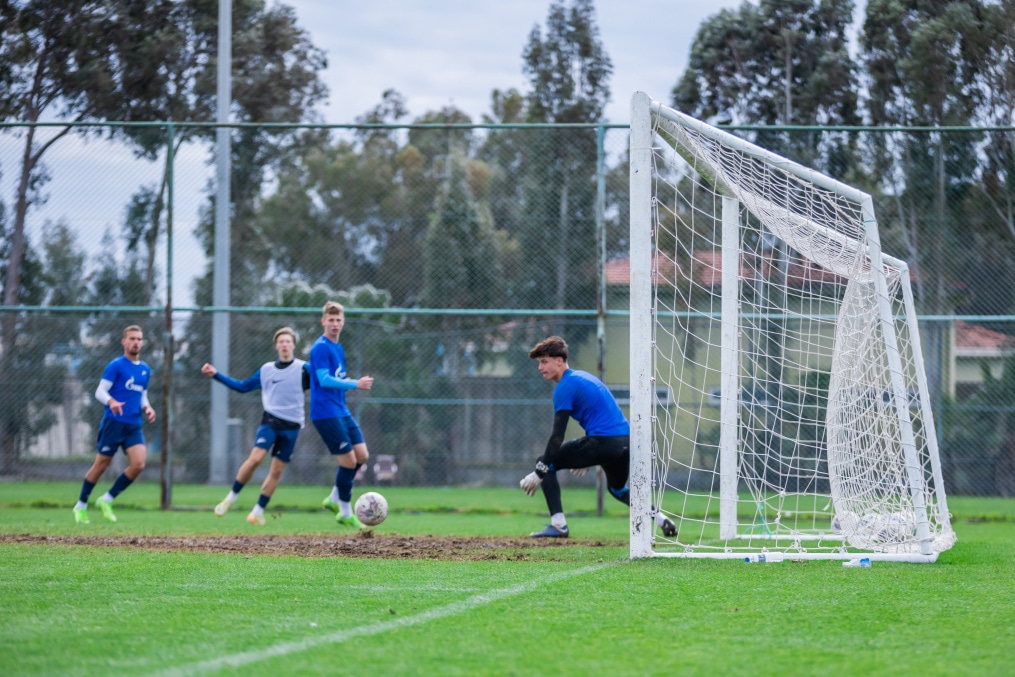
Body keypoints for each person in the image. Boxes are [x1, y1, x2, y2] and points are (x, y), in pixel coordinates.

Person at [519, 335, 677, 539]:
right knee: (617, 489)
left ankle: (558, 525)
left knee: (545, 462)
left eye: (544, 361)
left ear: (559, 360)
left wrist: (539, 472)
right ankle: (662, 519)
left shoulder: (565, 387)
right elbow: (599, 413)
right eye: (539, 363)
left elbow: (557, 436)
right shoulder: (583, 377)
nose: (540, 367)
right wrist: (587, 457)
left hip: (603, 442)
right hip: (625, 443)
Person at [201, 327, 310, 525]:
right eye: (281, 341)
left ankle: (257, 512)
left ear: (294, 345)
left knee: (276, 471)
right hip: (271, 421)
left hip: (292, 426)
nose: (285, 345)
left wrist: (343, 384)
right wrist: (216, 374)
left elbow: (322, 384)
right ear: (276, 345)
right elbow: (243, 387)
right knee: (255, 459)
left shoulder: (304, 368)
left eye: (288, 341)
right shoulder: (267, 369)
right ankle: (230, 498)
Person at [72, 325, 157, 524]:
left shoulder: (145, 370)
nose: (136, 342)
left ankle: (106, 499)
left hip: (133, 424)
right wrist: (111, 401)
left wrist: (148, 408)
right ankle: (81, 505)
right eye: (132, 338)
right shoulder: (116, 365)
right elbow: (100, 391)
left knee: (138, 465)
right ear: (124, 342)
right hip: (114, 423)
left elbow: (142, 395)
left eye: (139, 338)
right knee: (101, 464)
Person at [310, 301, 374, 528]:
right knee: (349, 461)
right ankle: (345, 511)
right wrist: (356, 383)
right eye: (331, 320)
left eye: (338, 320)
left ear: (343, 322)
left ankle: (334, 498)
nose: (335, 324)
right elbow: (325, 380)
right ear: (323, 321)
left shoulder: (338, 348)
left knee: (362, 455)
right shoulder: (320, 347)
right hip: (325, 412)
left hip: (340, 409)